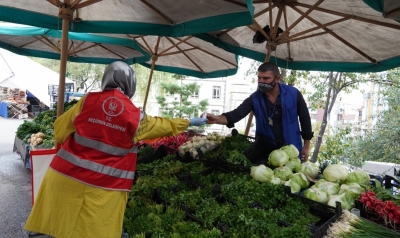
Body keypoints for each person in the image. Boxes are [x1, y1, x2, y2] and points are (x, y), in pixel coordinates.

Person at [24, 61, 207, 238]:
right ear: (130, 84)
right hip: (105, 188)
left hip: (65, 178)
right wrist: (189, 122)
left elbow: (59, 130)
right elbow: (163, 125)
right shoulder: (136, 117)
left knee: (64, 227)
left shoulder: (87, 101)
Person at [207, 62, 313, 161]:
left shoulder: (293, 94)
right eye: (259, 78)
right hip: (265, 153)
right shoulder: (255, 98)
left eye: (266, 78)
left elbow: (305, 119)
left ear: (277, 78)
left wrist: (306, 146)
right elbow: (236, 114)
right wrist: (216, 119)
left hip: (292, 150)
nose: (261, 81)